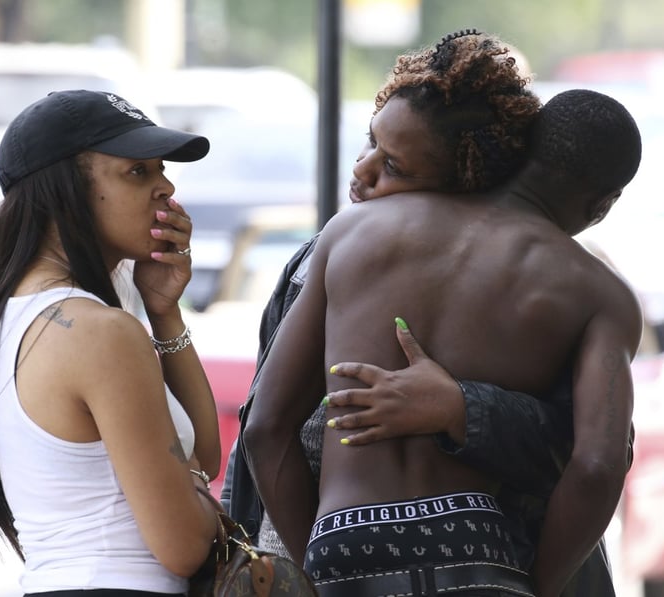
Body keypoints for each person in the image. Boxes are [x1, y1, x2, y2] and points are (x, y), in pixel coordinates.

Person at [226, 30, 623, 596]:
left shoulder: (345, 242)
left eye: (396, 168)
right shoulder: (314, 259)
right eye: (369, 143)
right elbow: (600, 465)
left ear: (463, 181)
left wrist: (464, 409)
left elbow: (266, 428)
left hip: (339, 543)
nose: (361, 172)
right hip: (481, 553)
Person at [0, 89, 222, 595]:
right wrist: (191, 492)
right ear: (63, 191)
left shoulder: (2, 319)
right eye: (137, 172)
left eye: (162, 170)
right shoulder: (98, 332)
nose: (166, 189)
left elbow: (204, 459)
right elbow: (184, 543)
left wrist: (163, 312)